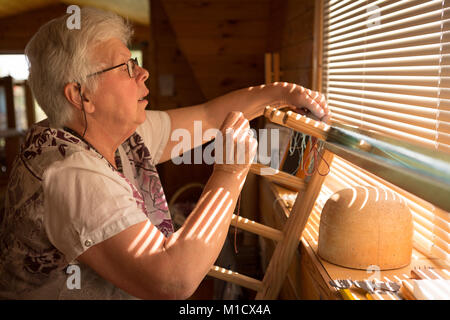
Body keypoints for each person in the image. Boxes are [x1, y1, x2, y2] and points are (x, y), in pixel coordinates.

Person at [0, 7, 329, 299]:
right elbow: (173, 280)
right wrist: (230, 172)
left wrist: (282, 92)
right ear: (81, 95)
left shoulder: (109, 131)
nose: (142, 73)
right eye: (126, 67)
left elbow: (209, 117)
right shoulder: (71, 174)